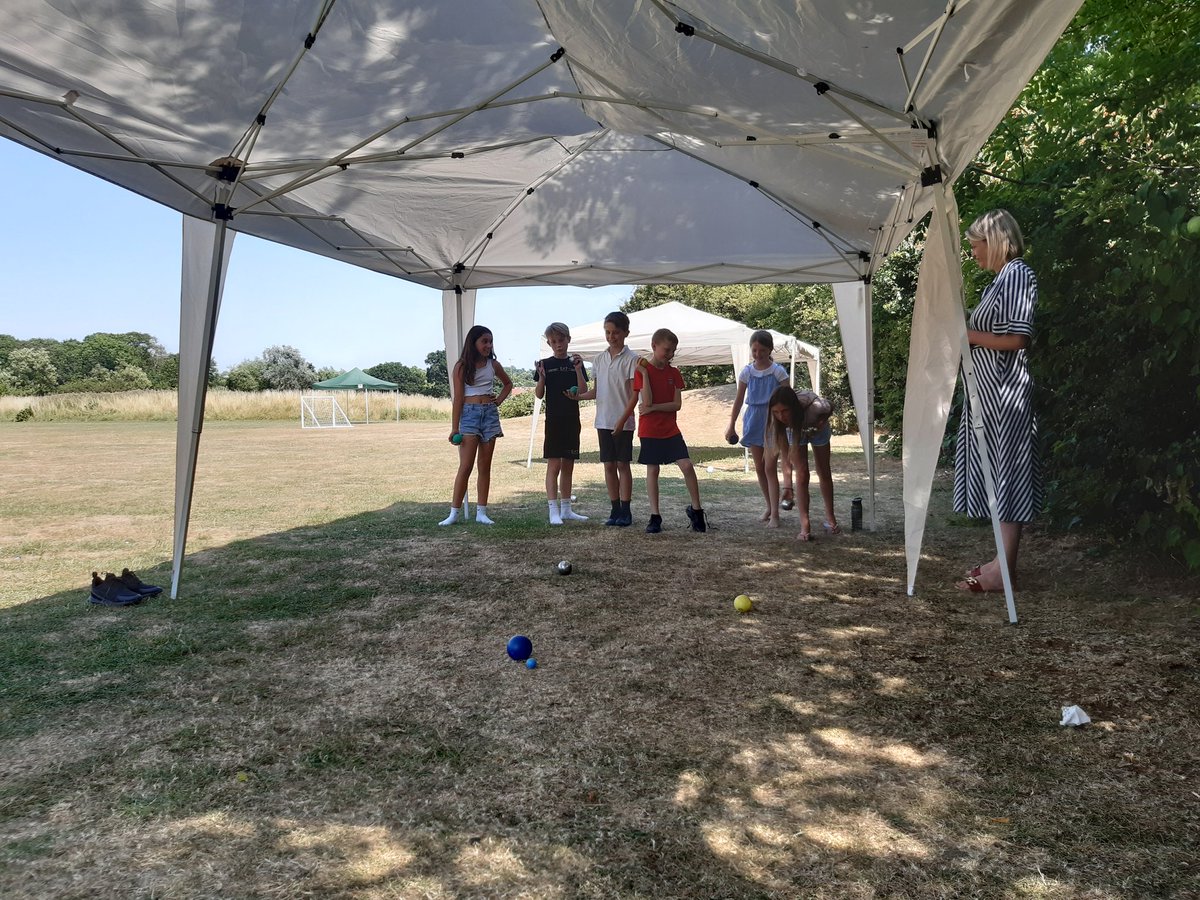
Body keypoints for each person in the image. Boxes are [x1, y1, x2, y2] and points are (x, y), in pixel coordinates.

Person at [955, 209, 1042, 593]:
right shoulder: (1000, 280)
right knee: (999, 478)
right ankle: (999, 561)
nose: (973, 253)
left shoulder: (1018, 274)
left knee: (1007, 479)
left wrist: (969, 336)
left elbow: (1018, 338)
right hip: (990, 398)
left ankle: (1004, 569)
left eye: (976, 246)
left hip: (1005, 397)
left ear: (995, 241)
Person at [615, 328, 707, 533]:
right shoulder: (641, 372)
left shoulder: (674, 373)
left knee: (686, 465)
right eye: (666, 350)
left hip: (671, 429)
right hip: (649, 430)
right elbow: (645, 401)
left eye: (673, 351)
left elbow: (676, 405)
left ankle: (697, 511)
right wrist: (645, 374)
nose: (670, 355)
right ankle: (655, 516)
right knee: (653, 470)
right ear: (654, 346)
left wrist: (655, 408)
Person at [439, 325, 513, 526]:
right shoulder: (462, 366)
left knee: (484, 466)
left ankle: (482, 512)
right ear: (474, 343)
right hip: (469, 416)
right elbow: (458, 399)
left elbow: (508, 384)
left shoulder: (493, 365)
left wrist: (498, 400)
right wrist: (455, 428)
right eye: (484, 341)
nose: (488, 345)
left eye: (490, 341)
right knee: (466, 466)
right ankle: (453, 513)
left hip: (489, 414)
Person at [572, 311, 638, 526]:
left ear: (626, 333)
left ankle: (626, 511)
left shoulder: (632, 360)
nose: (611, 337)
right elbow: (596, 391)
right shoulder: (599, 360)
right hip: (603, 421)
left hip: (624, 422)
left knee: (623, 465)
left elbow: (633, 396)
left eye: (616, 332)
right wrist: (578, 397)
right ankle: (615, 509)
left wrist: (622, 421)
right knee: (608, 465)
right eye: (608, 332)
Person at [725, 329, 791, 526]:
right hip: (753, 420)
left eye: (762, 350)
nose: (758, 354)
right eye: (754, 350)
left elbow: (789, 398)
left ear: (770, 350)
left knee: (770, 467)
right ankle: (770, 507)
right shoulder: (747, 372)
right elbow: (738, 401)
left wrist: (788, 422)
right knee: (760, 468)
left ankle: (776, 516)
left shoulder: (778, 371)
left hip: (773, 421)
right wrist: (731, 426)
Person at [767, 385, 839, 541]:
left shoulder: (814, 408)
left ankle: (830, 518)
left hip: (817, 427)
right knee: (802, 474)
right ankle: (805, 526)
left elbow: (830, 406)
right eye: (776, 412)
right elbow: (786, 456)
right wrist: (787, 487)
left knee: (824, 471)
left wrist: (821, 422)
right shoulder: (781, 423)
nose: (781, 416)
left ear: (792, 407)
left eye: (785, 411)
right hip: (796, 430)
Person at [535, 322, 589, 525]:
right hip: (554, 420)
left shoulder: (576, 362)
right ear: (549, 343)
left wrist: (577, 369)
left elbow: (583, 390)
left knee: (568, 464)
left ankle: (566, 509)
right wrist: (541, 378)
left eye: (561, 340)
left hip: (572, 420)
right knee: (554, 464)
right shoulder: (544, 364)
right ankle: (553, 510)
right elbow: (539, 394)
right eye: (554, 341)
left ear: (568, 340)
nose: (558, 344)